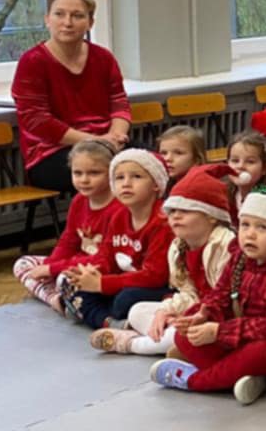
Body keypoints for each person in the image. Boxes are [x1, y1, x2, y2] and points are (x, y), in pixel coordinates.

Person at [149, 185, 266, 403]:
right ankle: (242, 374)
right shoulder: (240, 256)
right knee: (184, 332)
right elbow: (220, 294)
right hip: (241, 336)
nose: (250, 234)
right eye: (245, 225)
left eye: (262, 228)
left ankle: (195, 380)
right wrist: (204, 314)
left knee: (258, 354)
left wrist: (219, 332)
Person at [89, 163, 236, 356]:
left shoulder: (226, 246)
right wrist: (166, 312)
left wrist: (189, 317)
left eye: (186, 210)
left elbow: (224, 300)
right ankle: (172, 341)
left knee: (180, 333)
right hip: (196, 309)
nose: (175, 217)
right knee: (137, 311)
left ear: (212, 216)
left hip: (220, 317)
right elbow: (188, 292)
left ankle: (132, 343)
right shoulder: (178, 247)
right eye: (172, 211)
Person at [10, 0, 132, 193]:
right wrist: (96, 142)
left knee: (154, 165)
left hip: (106, 144)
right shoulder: (33, 62)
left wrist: (116, 136)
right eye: (59, 14)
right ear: (47, 19)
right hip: (52, 153)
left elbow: (119, 103)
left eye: (77, 16)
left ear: (90, 23)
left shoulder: (103, 58)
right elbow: (37, 120)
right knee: (113, 175)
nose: (67, 23)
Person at [60, 149, 171, 330]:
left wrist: (102, 284)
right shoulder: (118, 216)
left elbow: (155, 276)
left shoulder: (163, 222)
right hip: (123, 281)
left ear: (156, 185)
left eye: (136, 177)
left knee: (124, 300)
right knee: (71, 284)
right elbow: (106, 256)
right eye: (119, 178)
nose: (126, 183)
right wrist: (92, 272)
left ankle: (100, 316)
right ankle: (111, 323)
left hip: (156, 286)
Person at [12, 139, 121, 312]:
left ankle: (55, 295)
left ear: (112, 172)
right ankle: (55, 297)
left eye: (94, 173)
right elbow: (68, 240)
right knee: (23, 264)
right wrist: (49, 266)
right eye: (77, 173)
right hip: (76, 261)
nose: (84, 180)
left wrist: (53, 269)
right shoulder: (79, 200)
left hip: (102, 267)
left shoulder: (119, 208)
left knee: (64, 278)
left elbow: (106, 259)